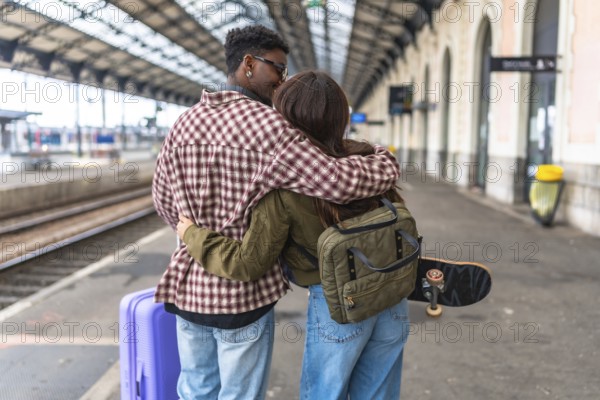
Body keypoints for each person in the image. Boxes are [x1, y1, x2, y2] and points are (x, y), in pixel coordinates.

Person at [152, 26, 401, 400]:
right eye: (278, 69)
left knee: (195, 389)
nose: (282, 82)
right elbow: (338, 181)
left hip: (188, 290)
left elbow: (163, 199)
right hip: (242, 297)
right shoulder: (272, 128)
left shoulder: (184, 122)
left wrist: (191, 231)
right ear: (249, 64)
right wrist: (386, 162)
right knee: (239, 394)